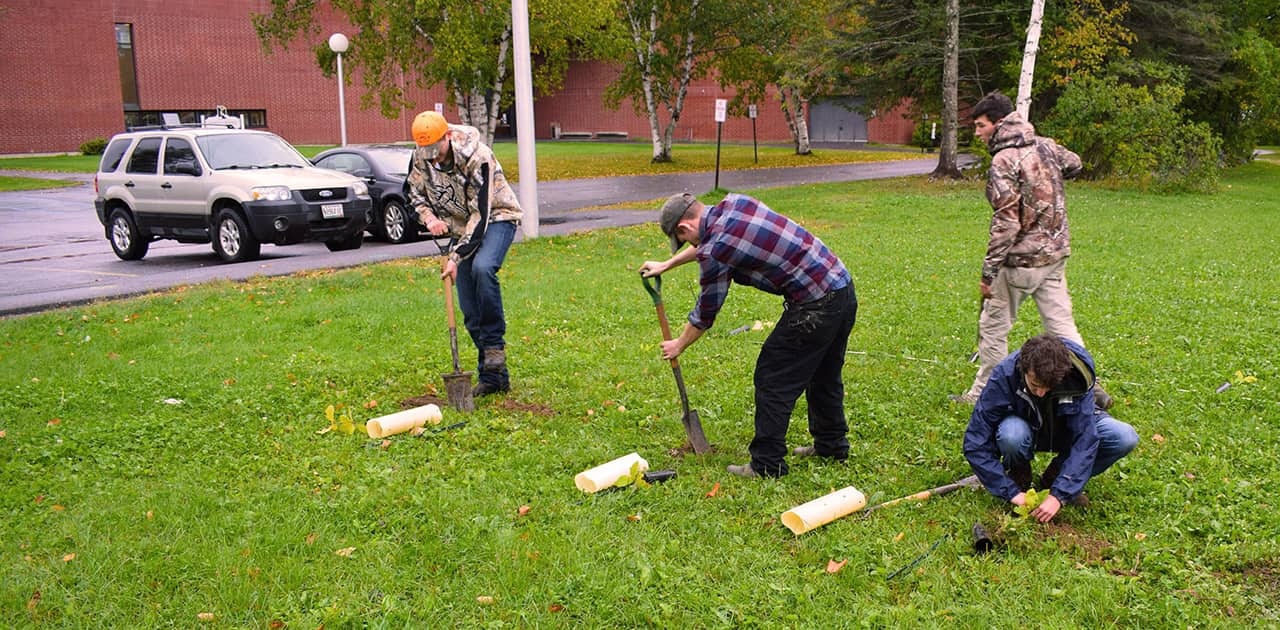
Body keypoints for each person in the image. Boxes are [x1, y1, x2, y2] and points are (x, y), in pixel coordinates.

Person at [639, 192, 857, 478]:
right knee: (823, 372)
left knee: (773, 376)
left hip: (815, 305)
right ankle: (832, 445)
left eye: (685, 241)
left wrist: (679, 344)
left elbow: (706, 312)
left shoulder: (714, 249)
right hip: (841, 288)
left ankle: (767, 464)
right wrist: (668, 264)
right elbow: (709, 244)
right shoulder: (734, 204)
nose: (689, 246)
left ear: (684, 228)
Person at [951, 91, 1111, 409]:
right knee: (1061, 324)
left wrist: (989, 272)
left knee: (994, 324)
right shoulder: (1046, 146)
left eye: (981, 125)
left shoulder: (1003, 161)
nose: (977, 132)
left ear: (998, 124)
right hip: (1055, 255)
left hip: (1020, 263)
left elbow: (1006, 223)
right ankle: (1089, 386)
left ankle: (984, 393)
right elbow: (1075, 164)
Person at [963, 334, 1138, 523]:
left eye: (1049, 387)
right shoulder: (1004, 377)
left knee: (1124, 436)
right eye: (1035, 385)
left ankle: (1055, 480)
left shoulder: (1078, 374)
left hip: (1065, 428)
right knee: (1011, 435)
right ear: (1024, 369)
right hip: (1025, 430)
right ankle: (1019, 478)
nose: (1040, 393)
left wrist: (1059, 494)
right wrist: (1009, 492)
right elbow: (976, 441)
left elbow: (1085, 438)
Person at [406, 111, 522, 396]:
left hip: (496, 218)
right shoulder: (421, 156)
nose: (433, 159)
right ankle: (494, 378)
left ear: (447, 136)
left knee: (483, 268)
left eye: (436, 150)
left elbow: (480, 215)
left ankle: (494, 345)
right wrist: (429, 218)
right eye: (427, 152)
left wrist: (456, 257)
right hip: (461, 229)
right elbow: (413, 196)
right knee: (470, 310)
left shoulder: (478, 157)